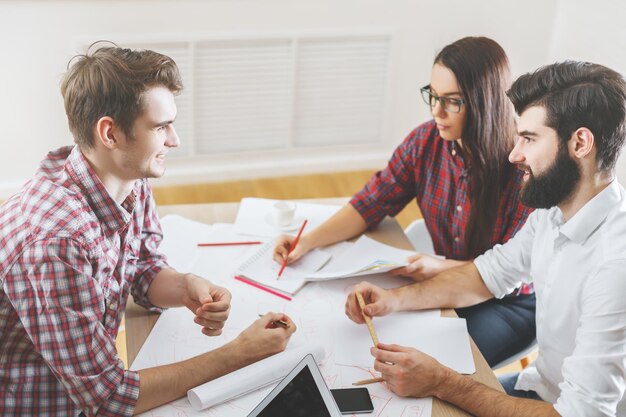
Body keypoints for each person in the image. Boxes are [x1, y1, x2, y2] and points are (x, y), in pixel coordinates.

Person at [0, 43, 296, 417]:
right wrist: (239, 353)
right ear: (110, 133)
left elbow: (139, 268)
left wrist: (186, 285)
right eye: (161, 127)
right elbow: (108, 398)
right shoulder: (56, 243)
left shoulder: (125, 176)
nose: (174, 140)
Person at [346, 61, 626, 416]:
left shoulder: (615, 267)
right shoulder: (552, 211)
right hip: (540, 388)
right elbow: (488, 274)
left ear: (580, 143)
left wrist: (442, 382)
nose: (514, 155)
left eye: (529, 138)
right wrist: (393, 300)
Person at [274, 36, 535, 366]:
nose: (436, 111)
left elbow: (511, 277)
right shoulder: (427, 141)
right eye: (433, 96)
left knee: (439, 366)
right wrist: (307, 242)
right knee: (376, 345)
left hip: (508, 304)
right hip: (445, 282)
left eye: (452, 102)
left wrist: (438, 268)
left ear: (486, 103)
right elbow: (371, 202)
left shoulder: (524, 170)